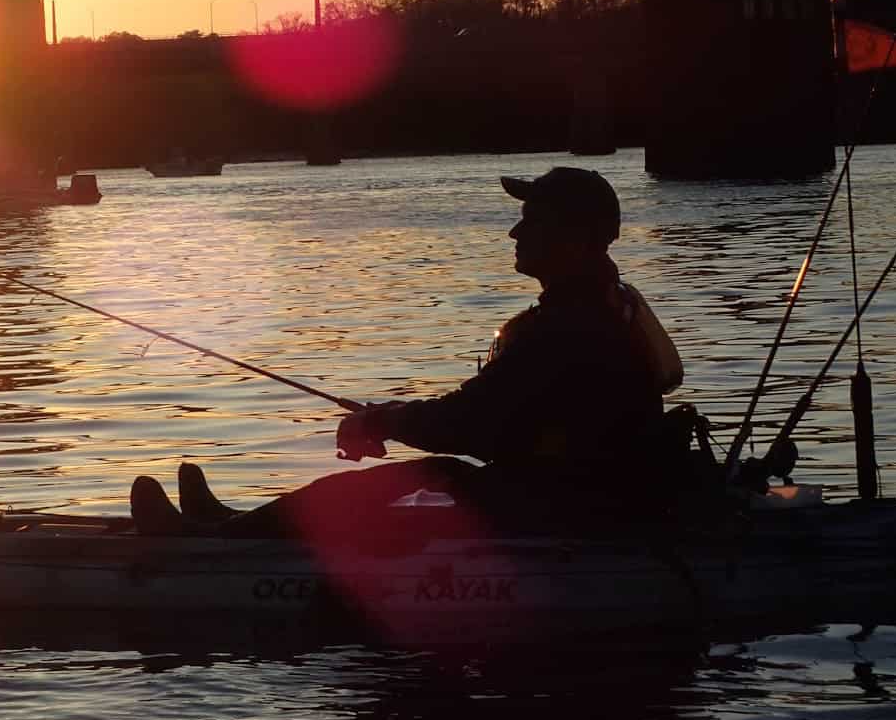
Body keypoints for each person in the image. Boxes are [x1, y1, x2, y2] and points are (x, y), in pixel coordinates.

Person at [129, 167, 687, 539]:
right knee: (433, 474)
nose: (515, 232)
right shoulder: (608, 307)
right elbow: (489, 418)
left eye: (533, 221)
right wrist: (392, 421)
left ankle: (223, 541)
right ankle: (234, 527)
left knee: (411, 480)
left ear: (577, 239)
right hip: (580, 495)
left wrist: (383, 421)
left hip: (569, 510)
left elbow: (469, 421)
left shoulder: (571, 325)